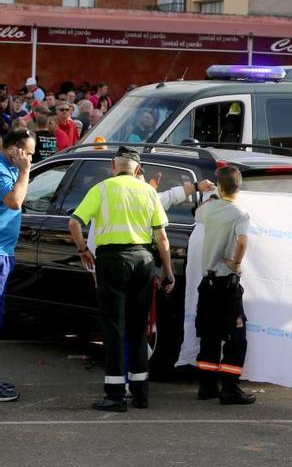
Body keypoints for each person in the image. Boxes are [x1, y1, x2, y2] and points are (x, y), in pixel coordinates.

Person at [68, 146, 175, 412]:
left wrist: (83, 250)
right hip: (143, 259)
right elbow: (161, 237)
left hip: (112, 260)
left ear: (113, 166)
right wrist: (168, 272)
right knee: (139, 329)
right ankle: (140, 394)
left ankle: (115, 395)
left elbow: (74, 222)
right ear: (138, 169)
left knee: (114, 327)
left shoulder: (102, 188)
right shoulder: (149, 191)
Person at [193, 166, 255, 405]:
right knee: (235, 336)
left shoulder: (208, 210)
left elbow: (197, 213)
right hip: (228, 286)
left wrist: (211, 195)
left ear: (220, 187)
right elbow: (242, 240)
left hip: (207, 284)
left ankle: (206, 387)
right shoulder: (240, 214)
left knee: (209, 334)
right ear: (238, 187)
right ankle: (230, 389)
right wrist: (236, 263)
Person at [0, 128, 37, 402]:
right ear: (13, 148)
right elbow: (14, 201)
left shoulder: (11, 168)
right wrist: (24, 171)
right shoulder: (3, 170)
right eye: (27, 154)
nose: (30, 160)